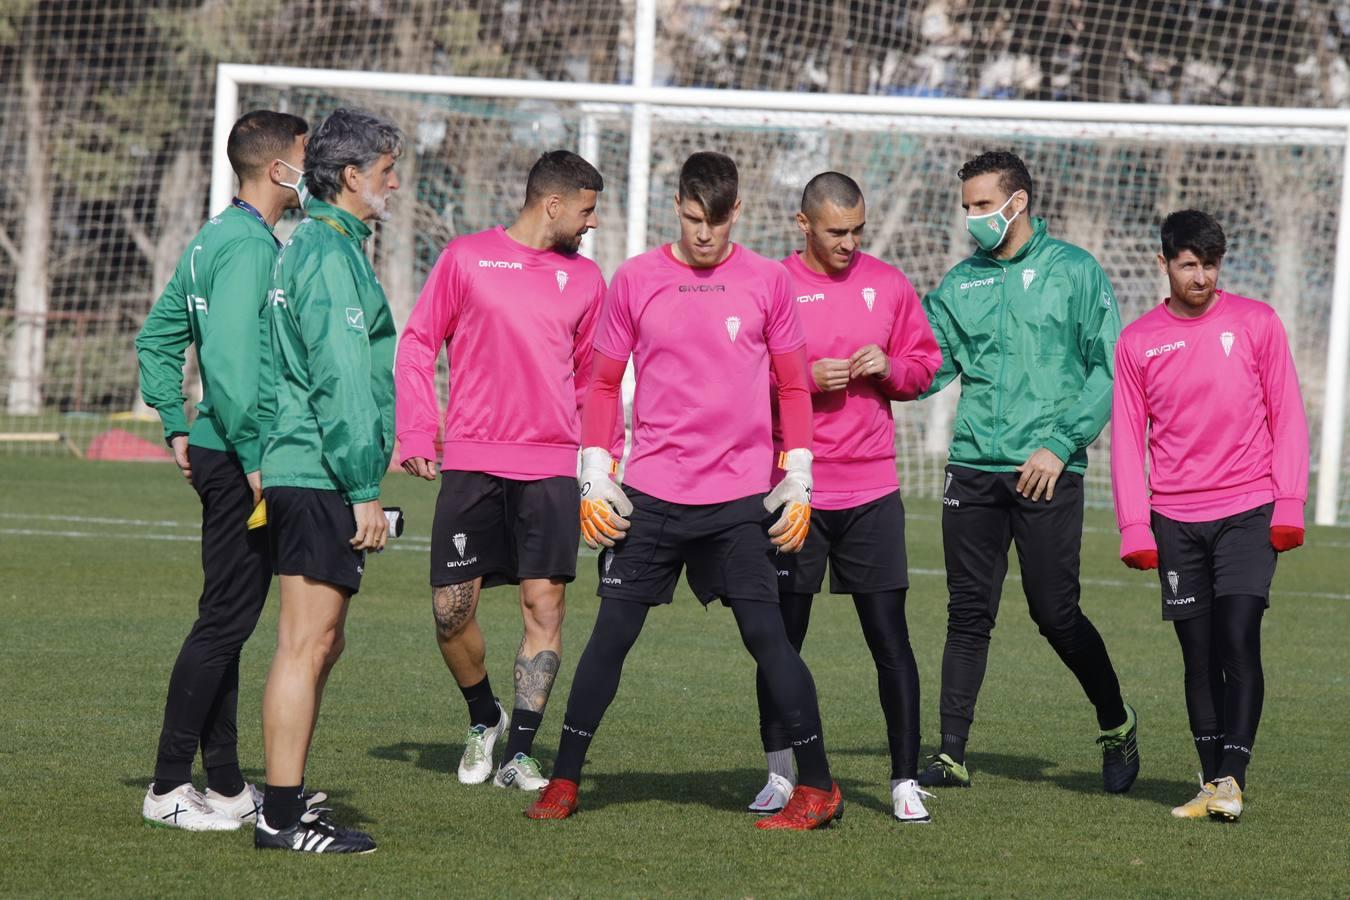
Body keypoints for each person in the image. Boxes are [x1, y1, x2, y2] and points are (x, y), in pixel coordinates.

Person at [526, 151, 842, 830]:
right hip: (652, 497)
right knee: (609, 638)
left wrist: (799, 473)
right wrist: (595, 473)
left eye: (717, 221)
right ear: (677, 207)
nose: (704, 234)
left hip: (737, 503)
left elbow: (793, 384)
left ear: (737, 213)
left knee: (770, 639)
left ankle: (818, 788)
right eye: (693, 219)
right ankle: (564, 780)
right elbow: (603, 385)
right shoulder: (636, 279)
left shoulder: (766, 281)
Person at [395, 150, 621, 793]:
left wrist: (605, 465)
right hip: (471, 460)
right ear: (553, 204)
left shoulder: (586, 280)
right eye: (587, 209)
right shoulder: (466, 258)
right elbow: (417, 342)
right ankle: (482, 716)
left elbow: (594, 382)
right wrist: (417, 427)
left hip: (550, 469)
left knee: (542, 606)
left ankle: (520, 751)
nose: (592, 222)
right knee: (449, 610)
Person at [917, 150, 1139, 793]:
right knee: (967, 613)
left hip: (1047, 470)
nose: (973, 218)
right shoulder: (961, 282)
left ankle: (1116, 721)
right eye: (967, 207)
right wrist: (870, 369)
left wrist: (1060, 443)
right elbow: (926, 367)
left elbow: (1109, 368)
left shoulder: (1075, 272)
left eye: (983, 205)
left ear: (1018, 201)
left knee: (1055, 612)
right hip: (972, 470)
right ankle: (951, 753)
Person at [746, 172, 941, 823]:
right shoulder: (769, 285)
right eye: (836, 231)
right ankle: (780, 774)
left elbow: (923, 365)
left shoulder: (888, 284)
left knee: (891, 641)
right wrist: (800, 379)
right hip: (793, 490)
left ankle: (905, 781)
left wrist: (892, 369)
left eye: (857, 230)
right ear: (803, 225)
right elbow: (739, 376)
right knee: (781, 639)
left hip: (871, 493)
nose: (849, 243)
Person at [134, 109, 308, 832]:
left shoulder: (218, 237)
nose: (311, 167)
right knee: (224, 623)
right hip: (243, 456)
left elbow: (156, 341)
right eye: (305, 155)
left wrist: (177, 425)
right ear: (278, 169)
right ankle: (169, 786)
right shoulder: (244, 248)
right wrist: (260, 458)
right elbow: (235, 370)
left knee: (229, 621)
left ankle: (230, 785)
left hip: (220, 446)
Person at [1111, 210, 1307, 821]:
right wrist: (1134, 525)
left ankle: (1231, 777)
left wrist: (1290, 503)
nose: (1201, 276)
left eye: (1210, 264)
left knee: (1237, 642)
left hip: (1250, 510)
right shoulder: (1138, 340)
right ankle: (1211, 781)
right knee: (1197, 657)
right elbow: (1125, 438)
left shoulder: (1257, 322)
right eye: (1189, 264)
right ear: (1164, 264)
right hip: (1175, 519)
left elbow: (1289, 414)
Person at [252, 108, 402, 854]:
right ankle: (280, 816)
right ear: (351, 176)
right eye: (385, 170)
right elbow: (341, 380)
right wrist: (363, 485)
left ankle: (286, 794)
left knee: (319, 643)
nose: (394, 183)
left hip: (306, 466)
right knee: (304, 644)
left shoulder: (312, 243)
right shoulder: (328, 254)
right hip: (318, 470)